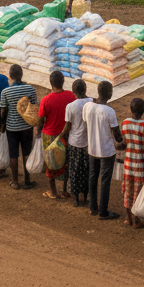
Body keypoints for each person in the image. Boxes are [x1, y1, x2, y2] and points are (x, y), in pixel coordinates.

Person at [84, 80, 123, 218]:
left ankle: (93, 207)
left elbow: (86, 122)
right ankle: (103, 211)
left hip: (92, 149)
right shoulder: (109, 111)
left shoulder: (87, 106)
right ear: (110, 94)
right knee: (105, 181)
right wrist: (122, 140)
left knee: (93, 177)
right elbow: (117, 135)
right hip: (106, 151)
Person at [37, 70, 75, 200]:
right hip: (66, 135)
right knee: (66, 161)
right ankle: (65, 190)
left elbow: (41, 119)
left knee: (51, 162)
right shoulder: (70, 96)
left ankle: (52, 191)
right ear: (63, 82)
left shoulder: (45, 100)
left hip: (50, 135)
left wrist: (38, 134)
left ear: (50, 83)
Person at [0, 64, 38, 191]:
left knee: (13, 154)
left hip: (12, 127)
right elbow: (33, 108)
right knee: (26, 152)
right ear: (22, 75)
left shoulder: (6, 91)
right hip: (27, 127)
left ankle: (15, 182)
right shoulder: (30, 89)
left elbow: (3, 111)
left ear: (10, 76)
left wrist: (2, 125)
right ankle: (27, 180)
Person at [60, 79, 92, 207]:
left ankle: (76, 199)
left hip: (74, 143)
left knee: (74, 170)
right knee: (86, 170)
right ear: (85, 89)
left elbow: (67, 126)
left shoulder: (70, 106)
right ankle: (85, 196)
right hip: (88, 143)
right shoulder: (91, 102)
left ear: (73, 91)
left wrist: (60, 136)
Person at [120, 97, 144, 226]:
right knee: (137, 192)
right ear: (143, 110)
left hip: (128, 164)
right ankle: (136, 218)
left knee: (128, 191)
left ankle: (129, 219)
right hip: (141, 165)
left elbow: (124, 142)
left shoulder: (125, 123)